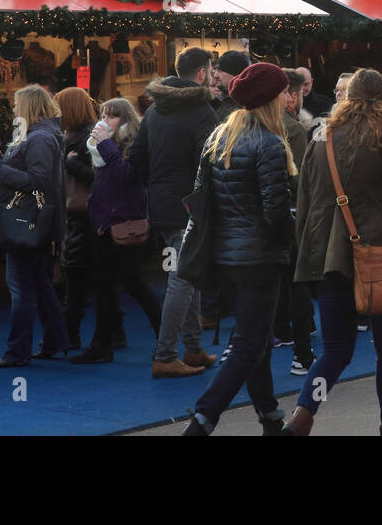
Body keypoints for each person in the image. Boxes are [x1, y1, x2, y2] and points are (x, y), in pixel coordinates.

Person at [285, 69, 382, 436]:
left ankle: (302, 417)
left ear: (347, 97)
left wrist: (306, 263)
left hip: (328, 259)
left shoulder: (320, 137)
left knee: (336, 349)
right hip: (381, 259)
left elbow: (304, 207)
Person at [182, 63, 296, 436]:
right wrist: (290, 245)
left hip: (225, 255)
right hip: (259, 258)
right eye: (282, 92)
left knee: (255, 337)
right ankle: (202, 420)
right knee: (248, 343)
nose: (288, 97)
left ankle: (270, 416)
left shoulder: (220, 136)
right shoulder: (270, 143)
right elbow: (276, 212)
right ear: (269, 99)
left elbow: (201, 199)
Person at [130, 46, 220, 378]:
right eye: (210, 71)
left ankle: (193, 348)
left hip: (163, 207)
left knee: (186, 273)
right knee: (182, 277)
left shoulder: (154, 111)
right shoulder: (202, 111)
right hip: (190, 207)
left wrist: (157, 187)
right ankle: (166, 354)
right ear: (202, 73)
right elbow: (209, 163)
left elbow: (136, 158)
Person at [0, 85, 71, 367]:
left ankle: (18, 350)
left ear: (28, 108)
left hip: (26, 222)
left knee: (21, 287)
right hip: (34, 221)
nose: (13, 110)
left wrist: (0, 169)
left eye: (16, 105)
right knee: (38, 282)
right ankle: (55, 340)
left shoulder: (38, 139)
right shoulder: (43, 137)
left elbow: (37, 181)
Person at [76, 97, 163, 363]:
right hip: (104, 224)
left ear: (124, 119)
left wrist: (104, 143)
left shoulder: (131, 145)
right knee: (104, 285)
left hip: (127, 225)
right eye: (102, 114)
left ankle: (165, 339)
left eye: (111, 116)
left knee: (133, 282)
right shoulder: (102, 149)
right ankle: (102, 344)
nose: (104, 120)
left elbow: (127, 176)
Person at [54, 87, 121, 352]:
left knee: (78, 277)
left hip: (84, 214)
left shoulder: (85, 138)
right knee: (93, 278)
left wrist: (69, 164)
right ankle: (113, 332)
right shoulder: (74, 136)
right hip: (82, 214)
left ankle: (72, 334)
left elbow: (100, 177)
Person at [275, 68, 314, 376]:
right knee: (297, 280)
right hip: (288, 212)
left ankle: (279, 333)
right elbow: (298, 178)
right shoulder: (293, 129)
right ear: (290, 95)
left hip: (257, 218)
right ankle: (302, 353)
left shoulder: (239, 124)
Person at [212, 50, 250, 122]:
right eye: (216, 70)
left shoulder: (245, 107)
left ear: (236, 75)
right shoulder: (220, 101)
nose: (215, 75)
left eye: (220, 71)